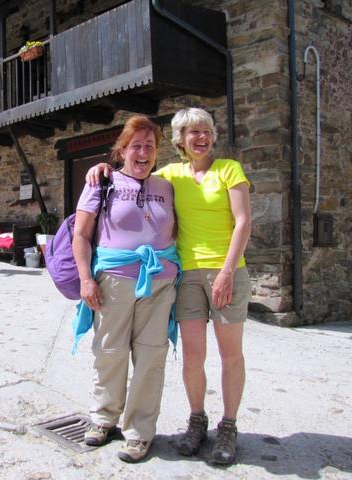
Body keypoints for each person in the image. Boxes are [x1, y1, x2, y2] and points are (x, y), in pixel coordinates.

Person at [86, 107, 252, 465]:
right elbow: (132, 174)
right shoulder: (170, 176)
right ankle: (197, 421)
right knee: (192, 356)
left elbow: (243, 223)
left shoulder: (229, 170)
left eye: (205, 130)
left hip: (225, 272)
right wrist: (101, 168)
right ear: (180, 140)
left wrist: (226, 272)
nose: (200, 137)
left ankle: (228, 426)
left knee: (229, 354)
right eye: (192, 132)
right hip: (187, 274)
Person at [73, 115, 181, 463]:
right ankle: (104, 418)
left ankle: (139, 433)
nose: (143, 152)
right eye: (136, 146)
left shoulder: (167, 187)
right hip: (114, 280)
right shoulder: (101, 181)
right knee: (110, 350)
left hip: (159, 281)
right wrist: (86, 279)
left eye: (150, 146)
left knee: (151, 355)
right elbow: (81, 235)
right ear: (122, 150)